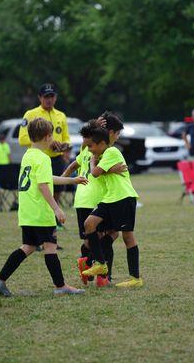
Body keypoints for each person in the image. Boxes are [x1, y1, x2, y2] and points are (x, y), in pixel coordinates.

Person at [0, 118, 87, 297]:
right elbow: (43, 185)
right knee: (50, 246)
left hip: (28, 211)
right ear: (48, 136)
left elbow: (46, 179)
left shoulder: (28, 155)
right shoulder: (43, 158)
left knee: (28, 246)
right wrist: (56, 208)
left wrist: (71, 180)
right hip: (40, 211)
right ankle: (61, 286)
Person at [63, 114, 126, 287]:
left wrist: (60, 180)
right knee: (111, 234)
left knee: (90, 240)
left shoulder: (86, 149)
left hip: (81, 199)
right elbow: (97, 170)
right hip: (97, 198)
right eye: (117, 133)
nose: (117, 136)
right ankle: (102, 275)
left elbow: (73, 165)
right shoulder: (102, 151)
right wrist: (114, 168)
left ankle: (88, 262)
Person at [79, 123, 143, 288]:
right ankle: (100, 263)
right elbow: (102, 172)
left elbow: (95, 173)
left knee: (127, 237)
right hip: (109, 198)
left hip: (123, 198)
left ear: (101, 144)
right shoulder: (104, 154)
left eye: (91, 146)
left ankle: (135, 278)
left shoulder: (111, 151)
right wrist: (109, 169)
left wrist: (93, 162)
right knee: (89, 224)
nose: (90, 150)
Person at [19, 83, 71, 247]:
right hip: (39, 159)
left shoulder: (61, 115)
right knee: (43, 192)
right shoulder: (31, 114)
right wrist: (46, 141)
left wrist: (64, 147)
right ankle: (44, 236)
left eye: (52, 96)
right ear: (39, 98)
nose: (49, 99)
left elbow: (66, 138)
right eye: (46, 96)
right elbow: (22, 139)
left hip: (56, 159)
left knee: (57, 193)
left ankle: (52, 230)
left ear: (55, 97)